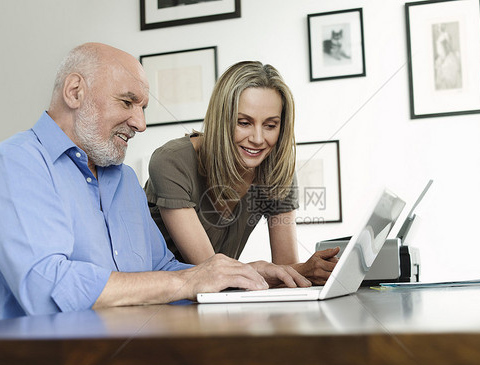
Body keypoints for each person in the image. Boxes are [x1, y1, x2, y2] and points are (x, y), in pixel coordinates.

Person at [0, 43, 312, 321]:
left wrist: (243, 273)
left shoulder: (123, 180)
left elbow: (163, 267)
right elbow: (47, 288)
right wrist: (189, 281)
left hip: (124, 355)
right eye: (127, 102)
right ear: (74, 91)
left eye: (143, 108)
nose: (140, 123)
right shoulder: (14, 163)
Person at [144, 61, 339, 284]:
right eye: (244, 123)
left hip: (219, 301)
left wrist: (308, 270)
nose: (257, 139)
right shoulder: (172, 161)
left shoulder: (275, 170)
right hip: (158, 302)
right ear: (221, 120)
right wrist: (263, 268)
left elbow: (287, 270)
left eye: (270, 125)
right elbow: (208, 271)